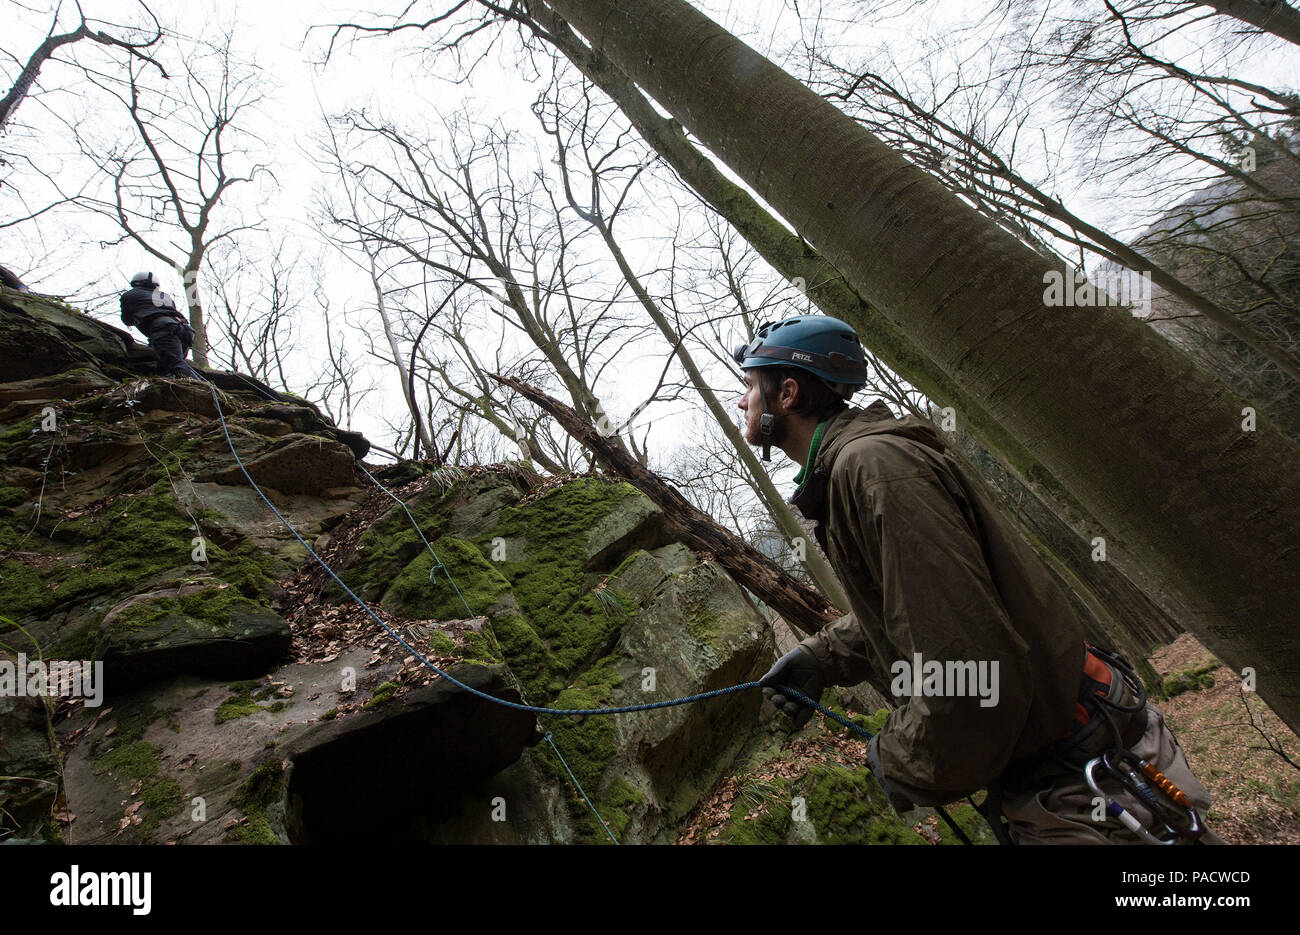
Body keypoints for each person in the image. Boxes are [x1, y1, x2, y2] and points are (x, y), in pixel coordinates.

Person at [738, 314, 1220, 844]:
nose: (742, 402)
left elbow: (969, 668)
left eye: (749, 386)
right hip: (1075, 760)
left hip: (1083, 783)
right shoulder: (859, 466)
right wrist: (824, 656)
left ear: (786, 392)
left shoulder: (872, 468)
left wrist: (899, 759)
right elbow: (922, 603)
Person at [119, 271, 204, 380]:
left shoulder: (129, 295)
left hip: (163, 328)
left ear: (136, 283)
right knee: (167, 364)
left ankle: (201, 389)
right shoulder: (164, 296)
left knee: (174, 364)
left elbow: (127, 320)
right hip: (185, 330)